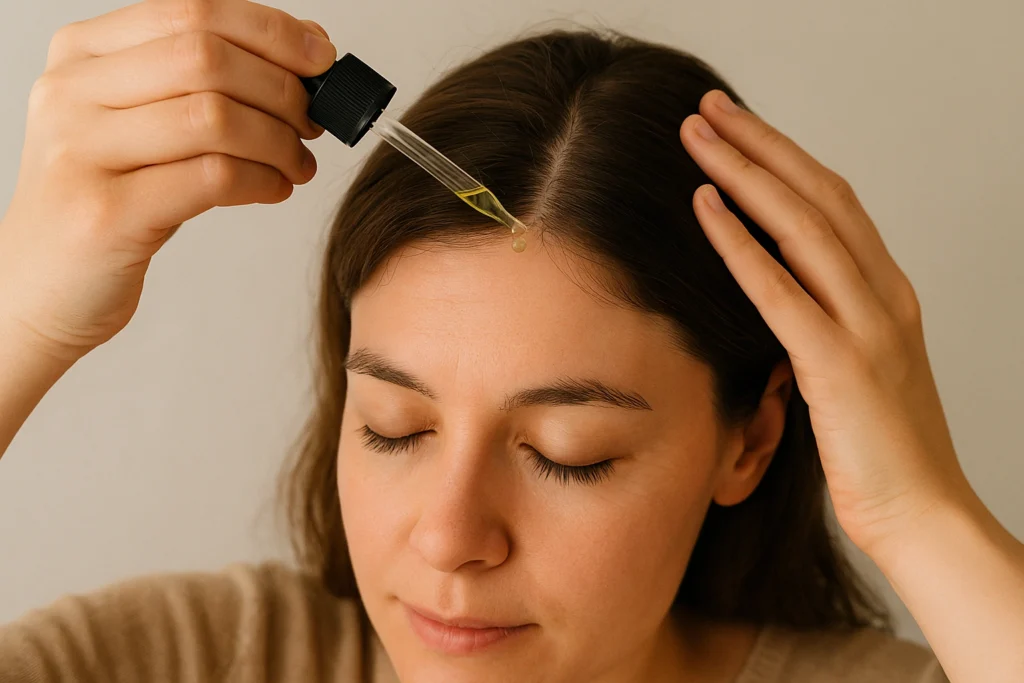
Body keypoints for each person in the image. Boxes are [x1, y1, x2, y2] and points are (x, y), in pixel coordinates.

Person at [1, 2, 1022, 682]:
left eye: (565, 454)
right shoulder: (198, 659)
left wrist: (918, 510)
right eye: (395, 427)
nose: (450, 537)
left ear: (748, 440)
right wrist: (22, 319)